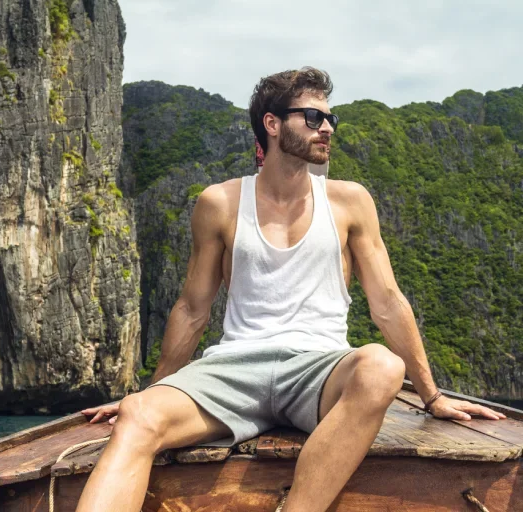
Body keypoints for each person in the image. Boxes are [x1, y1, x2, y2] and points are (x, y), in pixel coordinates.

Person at [77, 67, 504, 512]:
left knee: (381, 366)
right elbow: (191, 309)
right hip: (235, 369)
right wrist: (152, 391)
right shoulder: (219, 203)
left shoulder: (349, 201)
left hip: (318, 370)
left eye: (330, 119)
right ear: (273, 124)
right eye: (314, 118)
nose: (327, 129)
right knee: (137, 417)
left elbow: (388, 303)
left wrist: (432, 396)